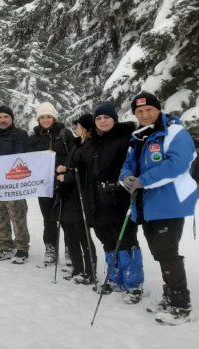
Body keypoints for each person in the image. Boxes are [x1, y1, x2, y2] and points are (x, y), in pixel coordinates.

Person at [119, 92, 197, 324]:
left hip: (169, 203)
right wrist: (127, 179)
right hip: (147, 204)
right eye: (139, 112)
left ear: (158, 109)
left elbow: (178, 164)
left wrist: (144, 180)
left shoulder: (175, 132)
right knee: (159, 252)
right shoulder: (138, 137)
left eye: (148, 110)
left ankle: (180, 305)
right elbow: (127, 165)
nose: (144, 114)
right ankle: (169, 296)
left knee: (167, 251)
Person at [78, 102, 142, 303]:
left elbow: (134, 165)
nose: (103, 121)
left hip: (119, 200)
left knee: (125, 240)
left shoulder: (126, 140)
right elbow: (83, 169)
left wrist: (124, 185)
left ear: (114, 119)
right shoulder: (91, 144)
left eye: (107, 117)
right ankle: (114, 279)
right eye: (99, 118)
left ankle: (133, 285)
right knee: (107, 240)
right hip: (96, 202)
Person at [27, 102, 75, 266]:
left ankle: (71, 250)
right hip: (43, 184)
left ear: (54, 117)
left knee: (66, 218)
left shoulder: (65, 133)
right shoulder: (33, 138)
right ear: (38, 119)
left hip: (62, 183)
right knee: (48, 219)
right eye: (42, 117)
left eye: (49, 116)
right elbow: (26, 160)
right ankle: (50, 248)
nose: (46, 120)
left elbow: (75, 155)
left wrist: (66, 169)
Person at [0, 106, 30, 264]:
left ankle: (22, 248)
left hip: (14, 184)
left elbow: (22, 157)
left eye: (6, 117)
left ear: (12, 118)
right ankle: (5, 247)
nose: (2, 120)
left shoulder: (20, 134)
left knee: (17, 217)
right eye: (0, 117)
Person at [55, 114, 96, 284]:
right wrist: (66, 168)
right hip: (69, 196)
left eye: (78, 126)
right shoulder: (78, 144)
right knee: (70, 233)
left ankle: (90, 271)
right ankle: (78, 268)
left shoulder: (91, 145)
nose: (76, 128)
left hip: (80, 196)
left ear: (86, 128)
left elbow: (86, 171)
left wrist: (68, 176)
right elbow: (75, 167)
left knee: (82, 234)